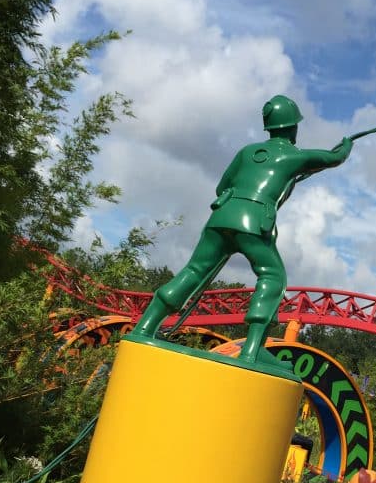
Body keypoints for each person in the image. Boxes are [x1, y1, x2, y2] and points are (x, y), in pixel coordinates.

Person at [130, 95, 353, 367]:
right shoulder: (295, 156)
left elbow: (221, 186)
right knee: (273, 275)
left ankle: (145, 326)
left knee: (194, 270)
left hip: (220, 216)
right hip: (255, 221)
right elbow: (333, 158)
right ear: (293, 126)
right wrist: (346, 145)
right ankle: (253, 348)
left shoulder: (247, 152)